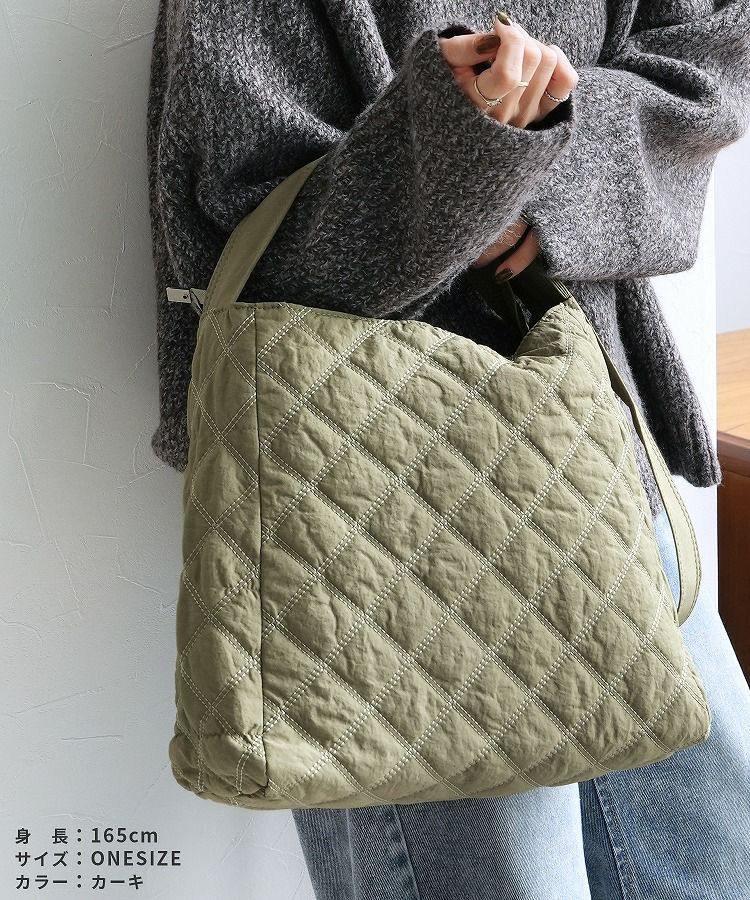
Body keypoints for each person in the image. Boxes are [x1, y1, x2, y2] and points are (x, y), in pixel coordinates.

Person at [146, 2, 750, 897]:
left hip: (608, 454)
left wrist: (545, 158)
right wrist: (463, 154)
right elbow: (259, 262)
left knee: (715, 855)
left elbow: (712, 43)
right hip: (372, 508)